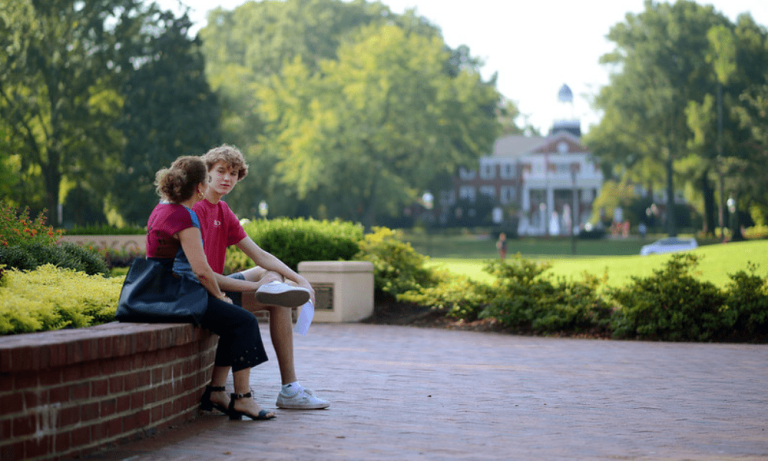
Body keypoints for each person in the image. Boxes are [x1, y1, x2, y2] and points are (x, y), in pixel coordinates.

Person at [193, 144, 330, 410]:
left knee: (273, 274)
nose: (226, 178)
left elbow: (259, 255)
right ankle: (289, 390)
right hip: (203, 290)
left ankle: (289, 388)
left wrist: (300, 280)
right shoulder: (196, 209)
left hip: (216, 285)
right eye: (220, 171)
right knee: (274, 295)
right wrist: (258, 286)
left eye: (233, 174)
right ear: (206, 173)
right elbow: (203, 273)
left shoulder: (223, 210)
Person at [144, 156, 275, 420]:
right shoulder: (185, 217)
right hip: (179, 295)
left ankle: (217, 390)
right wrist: (219, 296)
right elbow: (201, 270)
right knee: (245, 322)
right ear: (201, 187)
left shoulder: (162, 210)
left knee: (233, 319)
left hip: (159, 291)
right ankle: (243, 399)